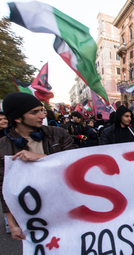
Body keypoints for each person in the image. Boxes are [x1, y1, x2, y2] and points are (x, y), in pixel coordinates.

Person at [0, 92, 77, 240]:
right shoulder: (2, 147)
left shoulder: (58, 134)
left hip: (65, 204)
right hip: (33, 213)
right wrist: (11, 223)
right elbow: (4, 188)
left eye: (41, 110)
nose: (42, 115)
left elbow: (75, 163)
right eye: (34, 112)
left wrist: (42, 158)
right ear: (17, 118)